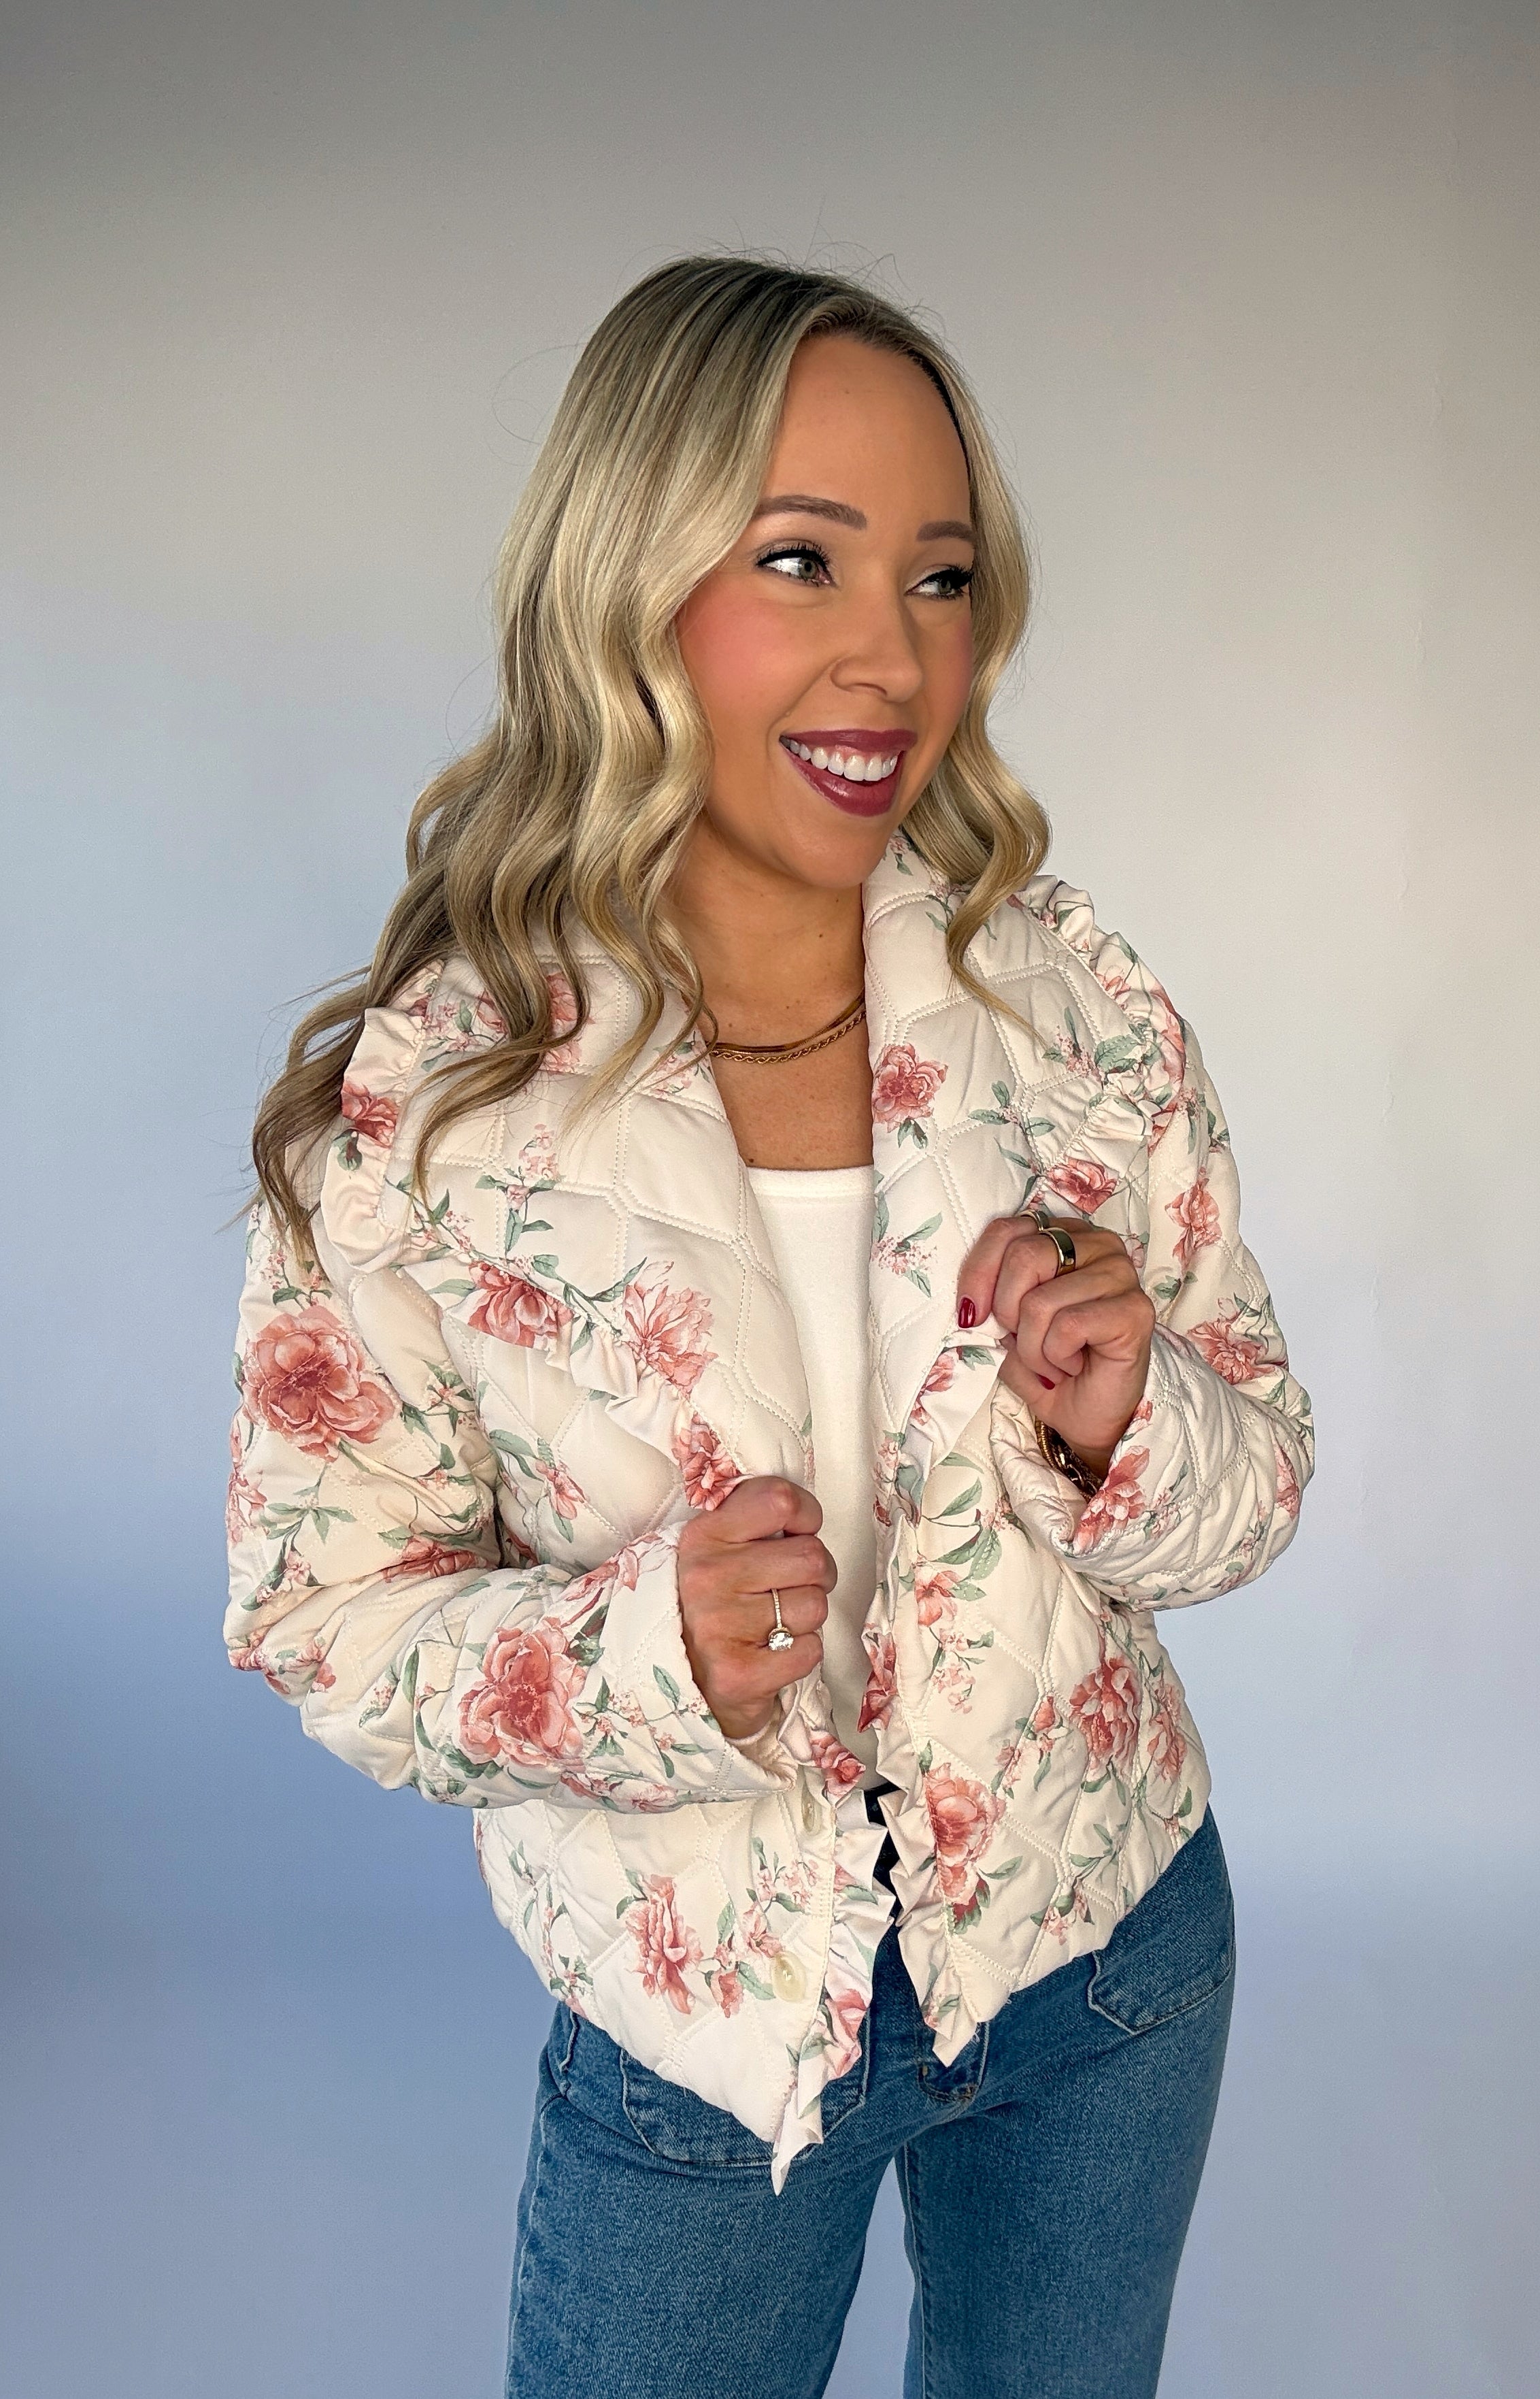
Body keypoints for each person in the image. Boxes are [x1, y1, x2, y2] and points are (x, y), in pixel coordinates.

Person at [227, 254, 1313, 2399]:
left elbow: (1255, 1481)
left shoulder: (1068, 1012)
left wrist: (1127, 1421)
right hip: (707, 2028)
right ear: (626, 584)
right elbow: (322, 1615)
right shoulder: (439, 1102)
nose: (889, 651)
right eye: (798, 558)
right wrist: (645, 1653)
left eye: (940, 576)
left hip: (1104, 1954)